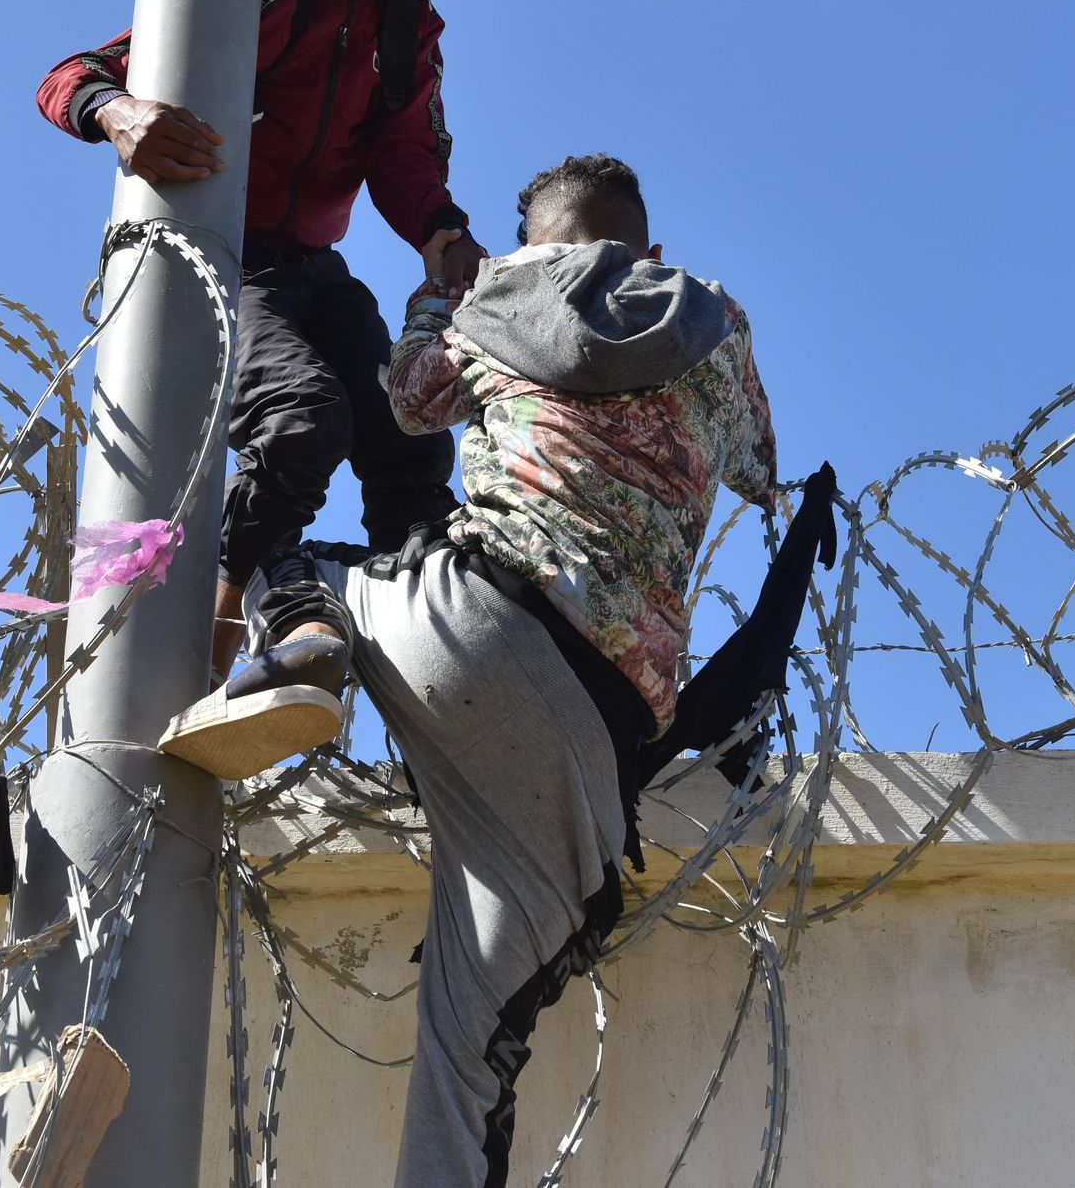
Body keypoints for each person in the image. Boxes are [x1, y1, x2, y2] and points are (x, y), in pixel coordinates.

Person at [161, 154, 796, 1187]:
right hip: (594, 747)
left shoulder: (500, 296)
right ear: (650, 246)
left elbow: (410, 402)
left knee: (290, 553)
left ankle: (312, 636)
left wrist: (437, 298)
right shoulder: (717, 320)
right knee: (468, 1073)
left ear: (534, 245)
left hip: (467, 622)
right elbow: (761, 466)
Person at [35, 0, 507, 649]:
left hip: (315, 270)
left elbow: (403, 153)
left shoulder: (408, 27)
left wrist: (441, 229)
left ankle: (424, 624)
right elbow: (75, 72)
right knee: (303, 416)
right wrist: (114, 112)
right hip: (225, 259)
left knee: (409, 426)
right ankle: (225, 616)